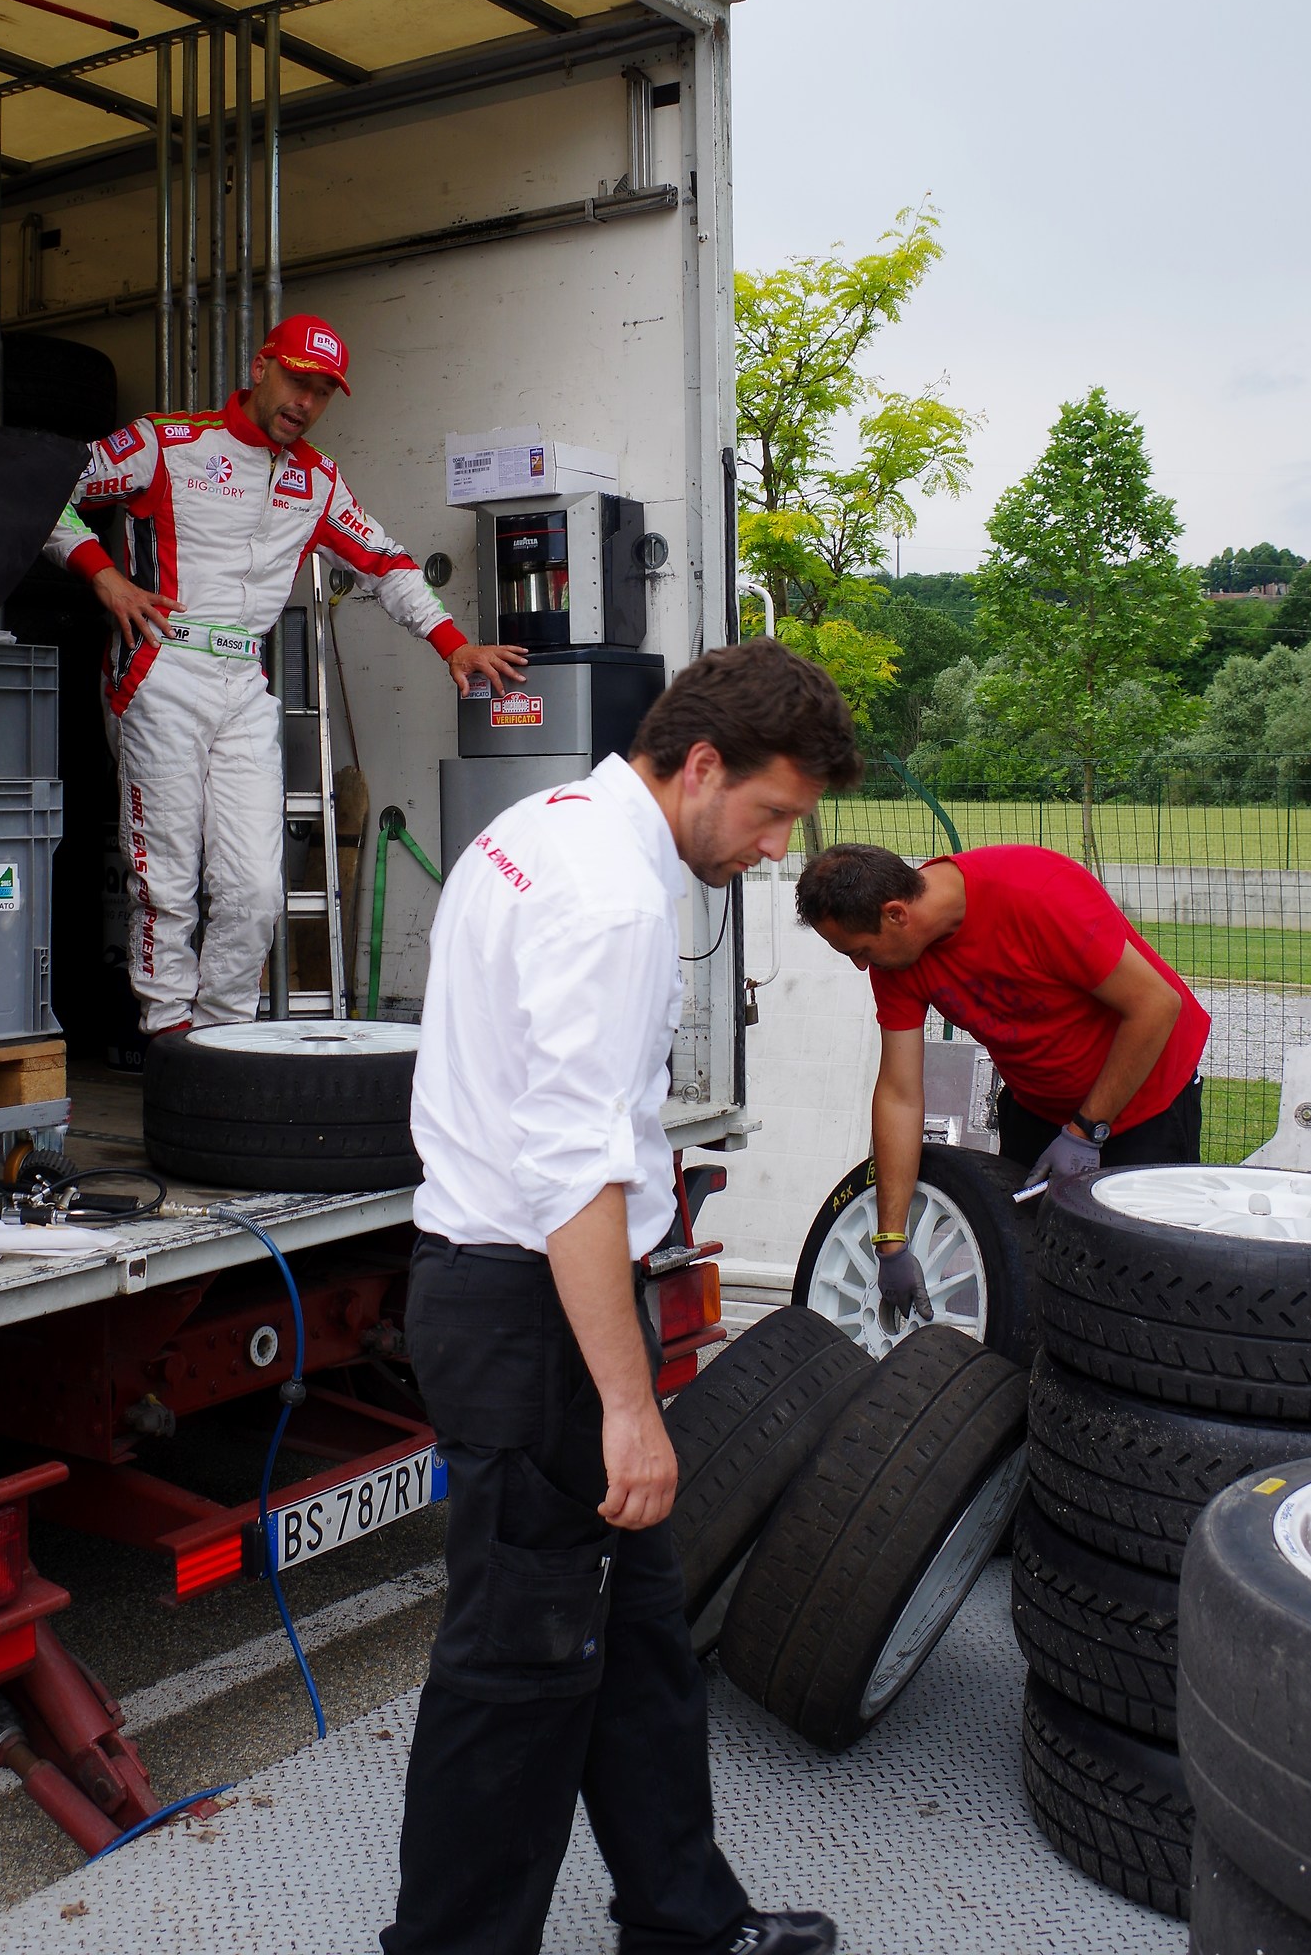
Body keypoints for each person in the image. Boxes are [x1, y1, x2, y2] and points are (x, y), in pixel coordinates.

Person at [384, 640, 862, 1955]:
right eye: (770, 813)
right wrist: (625, 1405)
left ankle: (684, 1922)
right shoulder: (612, 902)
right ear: (699, 765)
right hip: (534, 1314)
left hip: (519, 1296)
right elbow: (573, 1171)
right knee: (516, 1667)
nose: (773, 850)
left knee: (639, 1638)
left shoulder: (537, 825)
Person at [45, 313, 524, 1034]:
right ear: (260, 367)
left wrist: (450, 643)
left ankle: (223, 1042)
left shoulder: (317, 480)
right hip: (160, 667)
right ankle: (169, 1036)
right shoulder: (165, 442)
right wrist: (104, 577)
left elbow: (387, 562)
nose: (306, 401)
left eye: (323, 391)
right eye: (298, 380)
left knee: (255, 892)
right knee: (165, 881)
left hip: (244, 682)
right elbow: (47, 491)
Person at [795, 841, 1211, 1323]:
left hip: (1147, 1101)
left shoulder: (1036, 894)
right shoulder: (900, 957)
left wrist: (1086, 1130)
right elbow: (899, 1093)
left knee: (1147, 1286)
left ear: (895, 914)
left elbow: (1156, 1005)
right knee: (1035, 1277)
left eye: (860, 951)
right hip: (1039, 1107)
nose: (861, 966)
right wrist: (891, 1240)